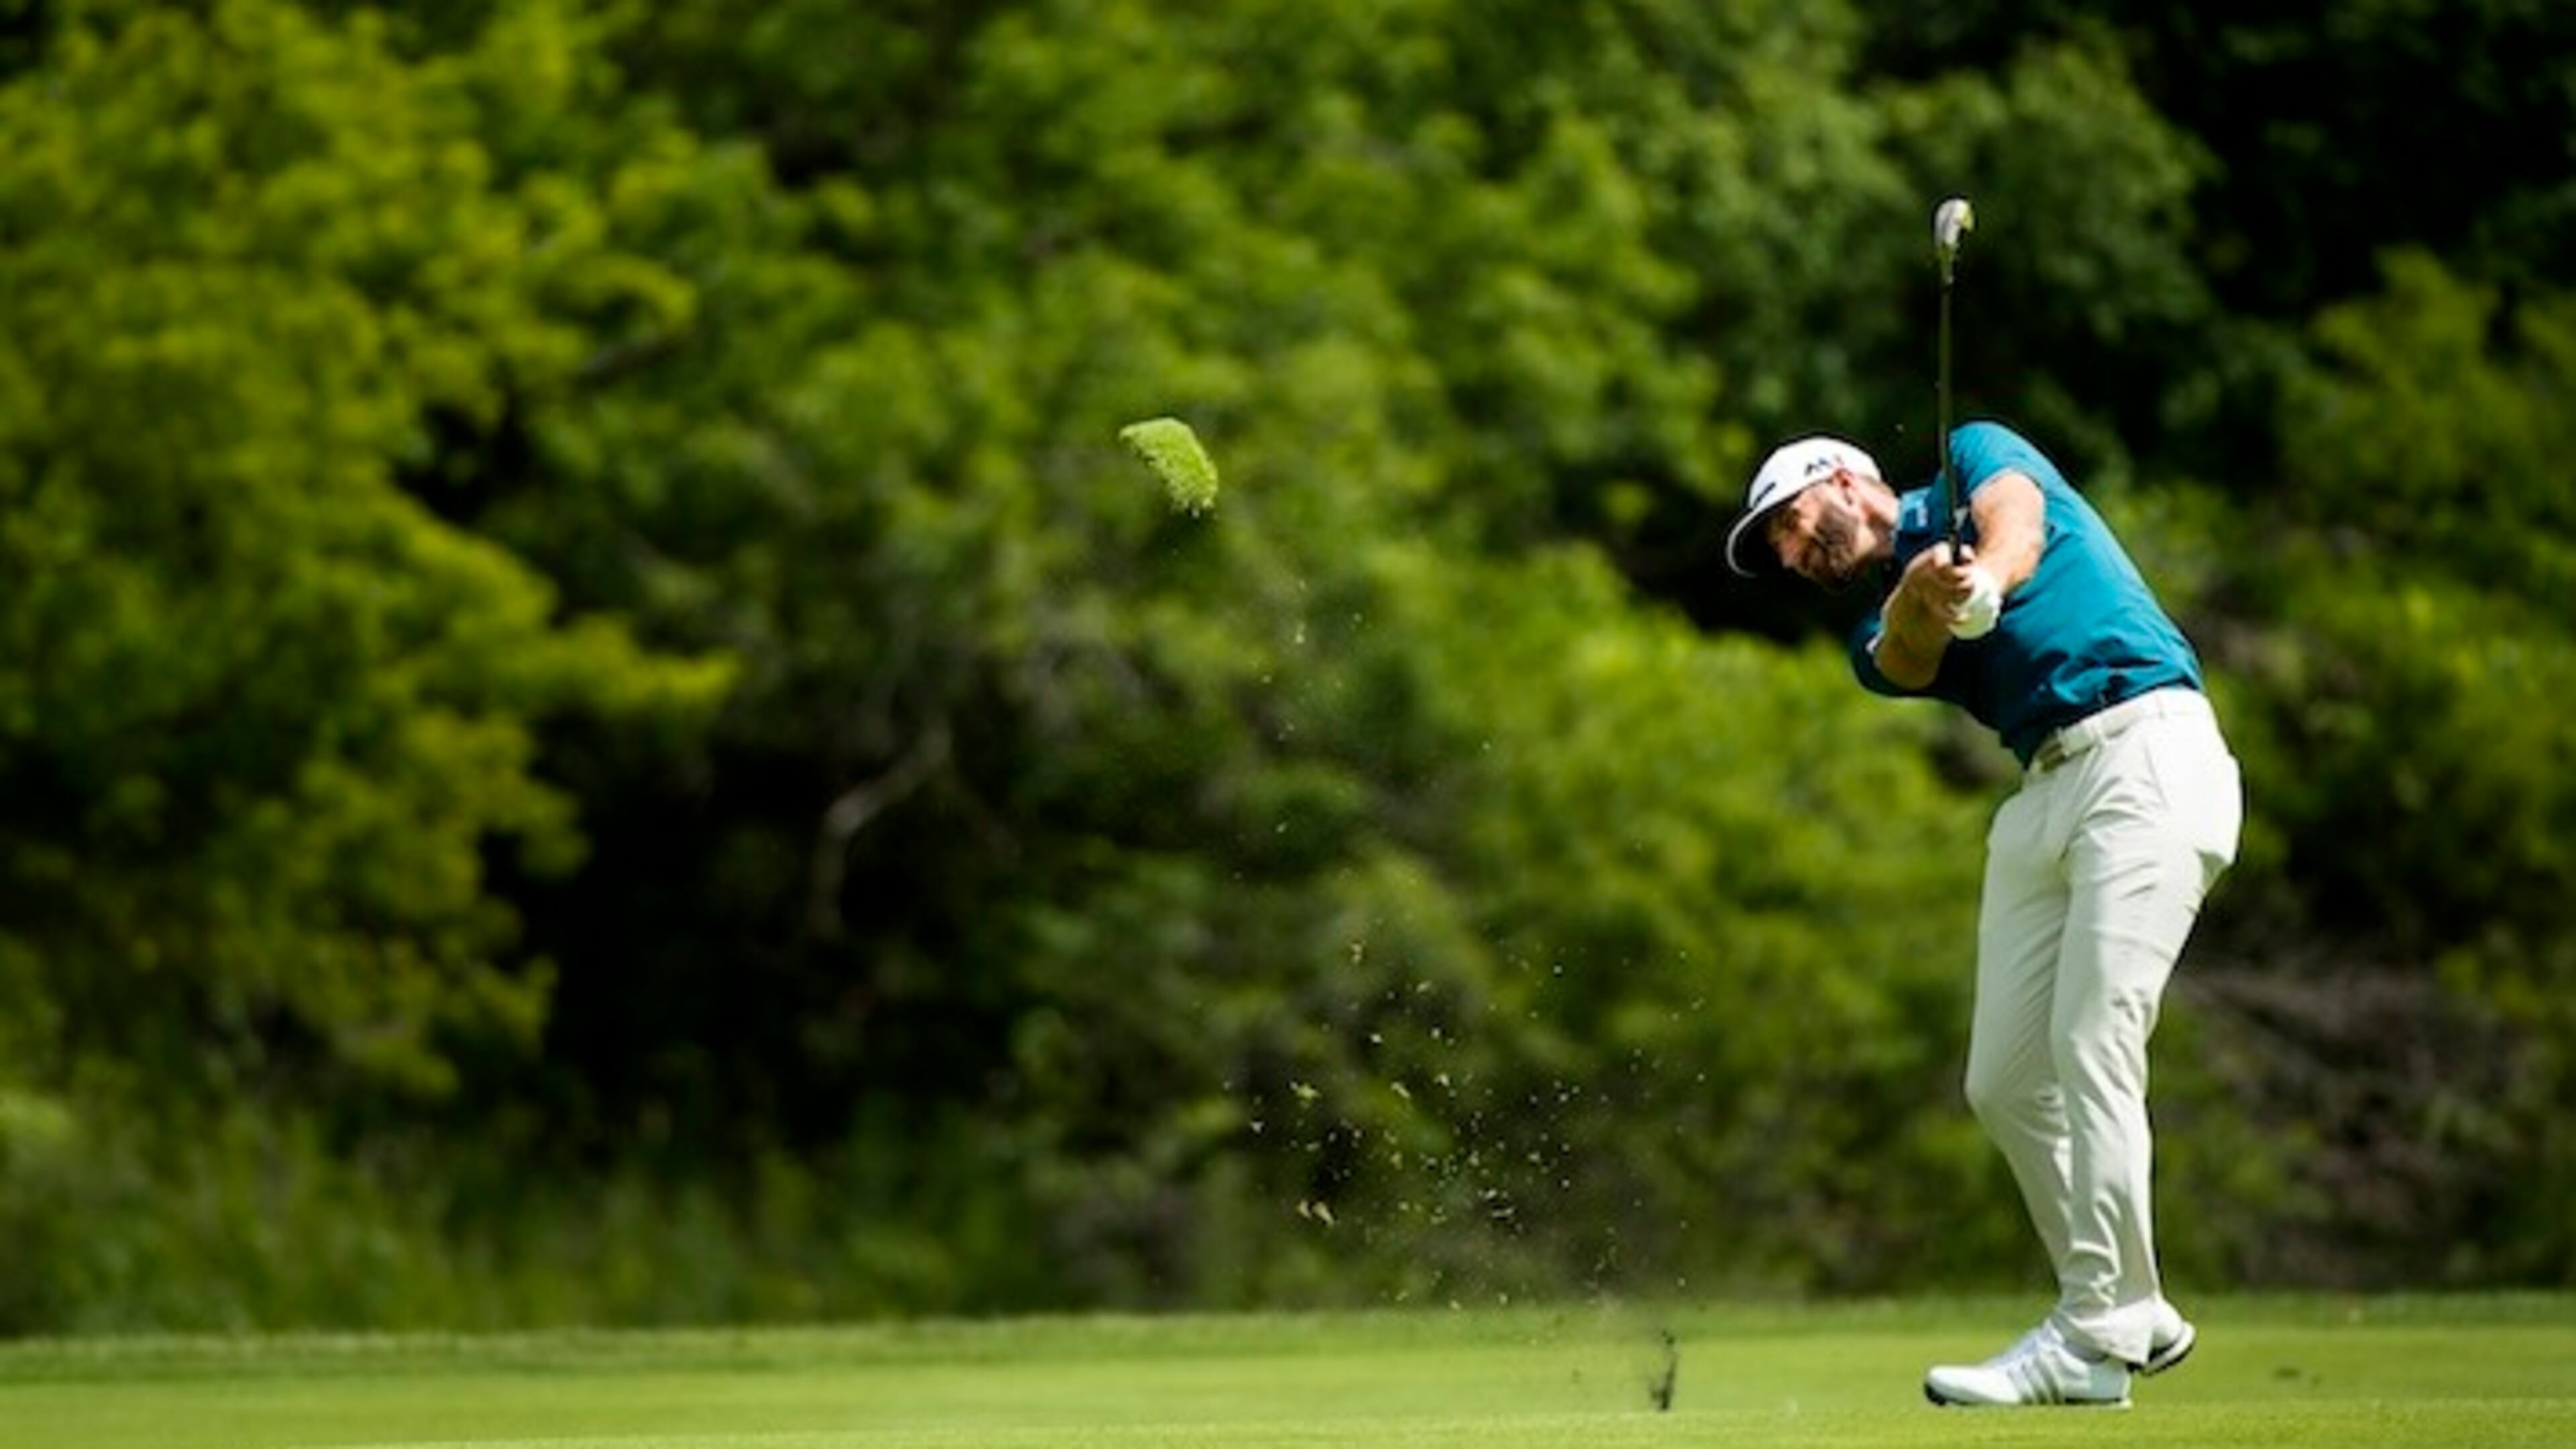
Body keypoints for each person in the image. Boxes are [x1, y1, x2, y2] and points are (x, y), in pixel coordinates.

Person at [1727, 421, 2243, 1409]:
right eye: (1781, 553)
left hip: (2147, 748)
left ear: (1843, 479)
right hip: (2043, 795)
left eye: (1790, 525)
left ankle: (2097, 1327)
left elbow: (2023, 516)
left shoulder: (1970, 454)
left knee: (2093, 1039)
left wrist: (1987, 577)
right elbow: (1908, 656)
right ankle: (2133, 1306)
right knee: (2004, 1080)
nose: (1793, 555)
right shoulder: (1872, 627)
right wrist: (1927, 594)